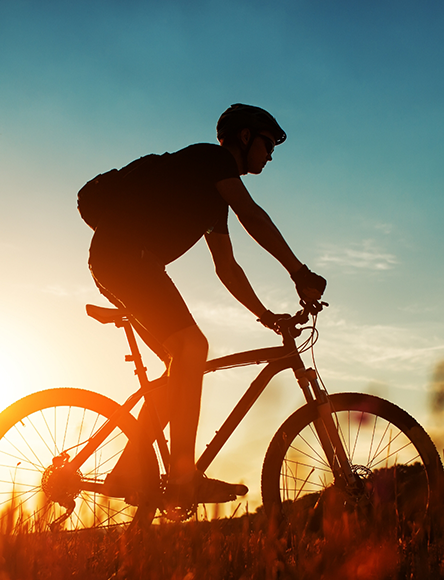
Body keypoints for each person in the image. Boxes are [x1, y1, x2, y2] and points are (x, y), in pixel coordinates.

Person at [83, 104, 326, 507]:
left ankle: (127, 472)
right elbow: (252, 214)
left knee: (180, 363)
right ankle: (183, 477)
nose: (270, 155)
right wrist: (298, 271)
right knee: (193, 347)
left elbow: (227, 268)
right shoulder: (211, 159)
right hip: (126, 258)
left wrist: (265, 315)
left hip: (124, 260)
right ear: (245, 138)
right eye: (267, 144)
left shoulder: (214, 198)